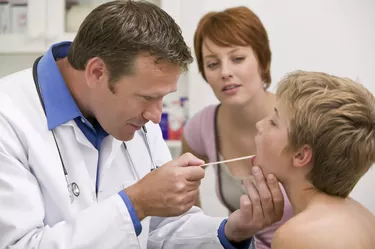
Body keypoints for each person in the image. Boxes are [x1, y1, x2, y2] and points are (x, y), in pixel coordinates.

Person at [0, 1, 285, 249]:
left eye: (163, 97)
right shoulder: (8, 118)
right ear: (97, 72)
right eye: (148, 97)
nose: (155, 116)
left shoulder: (135, 115)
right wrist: (135, 203)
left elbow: (160, 231)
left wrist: (231, 230)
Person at [181, 6, 293, 249]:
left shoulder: (299, 119)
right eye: (212, 64)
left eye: (238, 58)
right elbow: (184, 206)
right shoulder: (202, 127)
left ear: (263, 61)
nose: (225, 72)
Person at [254, 71, 375, 249]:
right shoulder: (364, 217)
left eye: (273, 122)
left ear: (300, 156)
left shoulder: (298, 235)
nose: (259, 125)